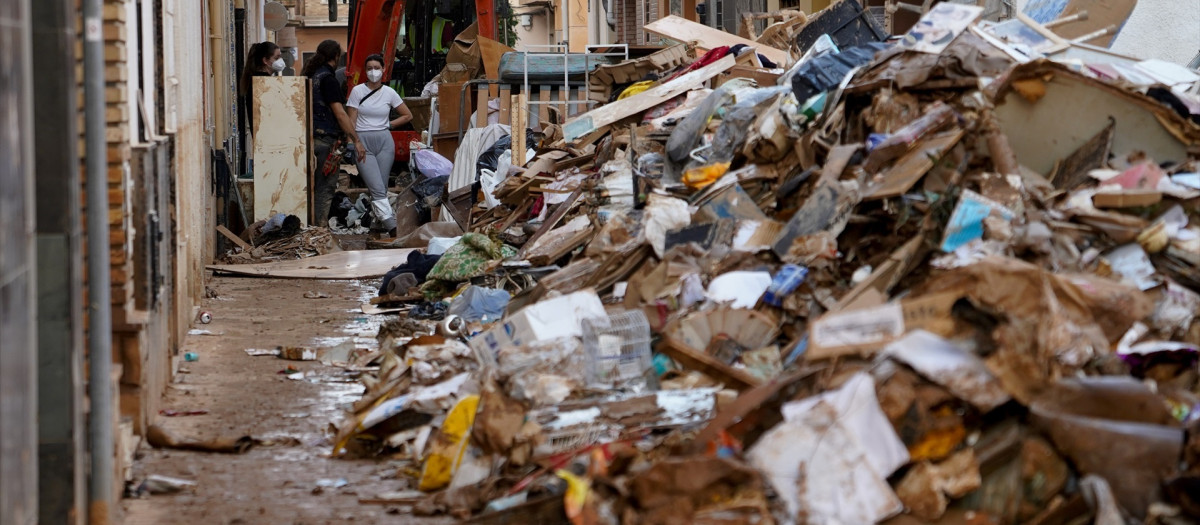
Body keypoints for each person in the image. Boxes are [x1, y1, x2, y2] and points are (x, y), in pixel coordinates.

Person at [346, 53, 413, 234]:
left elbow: (407, 115)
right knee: (376, 187)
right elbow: (351, 121)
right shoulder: (357, 91)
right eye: (369, 68)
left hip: (385, 140)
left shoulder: (389, 92)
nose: (373, 72)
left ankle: (377, 223)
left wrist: (389, 125)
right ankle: (393, 228)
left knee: (381, 187)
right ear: (365, 71)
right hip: (363, 141)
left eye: (377, 68)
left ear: (384, 70)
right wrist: (355, 142)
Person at [302, 40, 359, 227]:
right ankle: (320, 228)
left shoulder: (313, 76)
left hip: (311, 138)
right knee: (325, 188)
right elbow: (340, 114)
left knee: (311, 187)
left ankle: (311, 226)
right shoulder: (328, 79)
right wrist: (356, 140)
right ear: (336, 56)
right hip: (326, 141)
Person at [238, 41, 282, 135]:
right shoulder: (263, 82)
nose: (280, 61)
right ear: (265, 60)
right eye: (276, 58)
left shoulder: (254, 79)